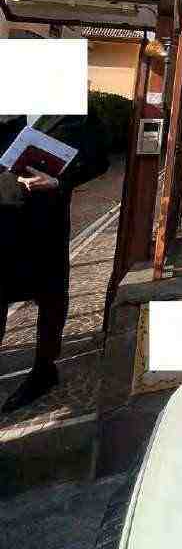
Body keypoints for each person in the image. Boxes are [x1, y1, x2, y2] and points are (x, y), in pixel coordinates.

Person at [0, 104, 110, 413]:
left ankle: (44, 370)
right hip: (3, 217)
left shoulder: (76, 111)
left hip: (46, 220)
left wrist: (61, 182)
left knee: (50, 295)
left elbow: (98, 160)